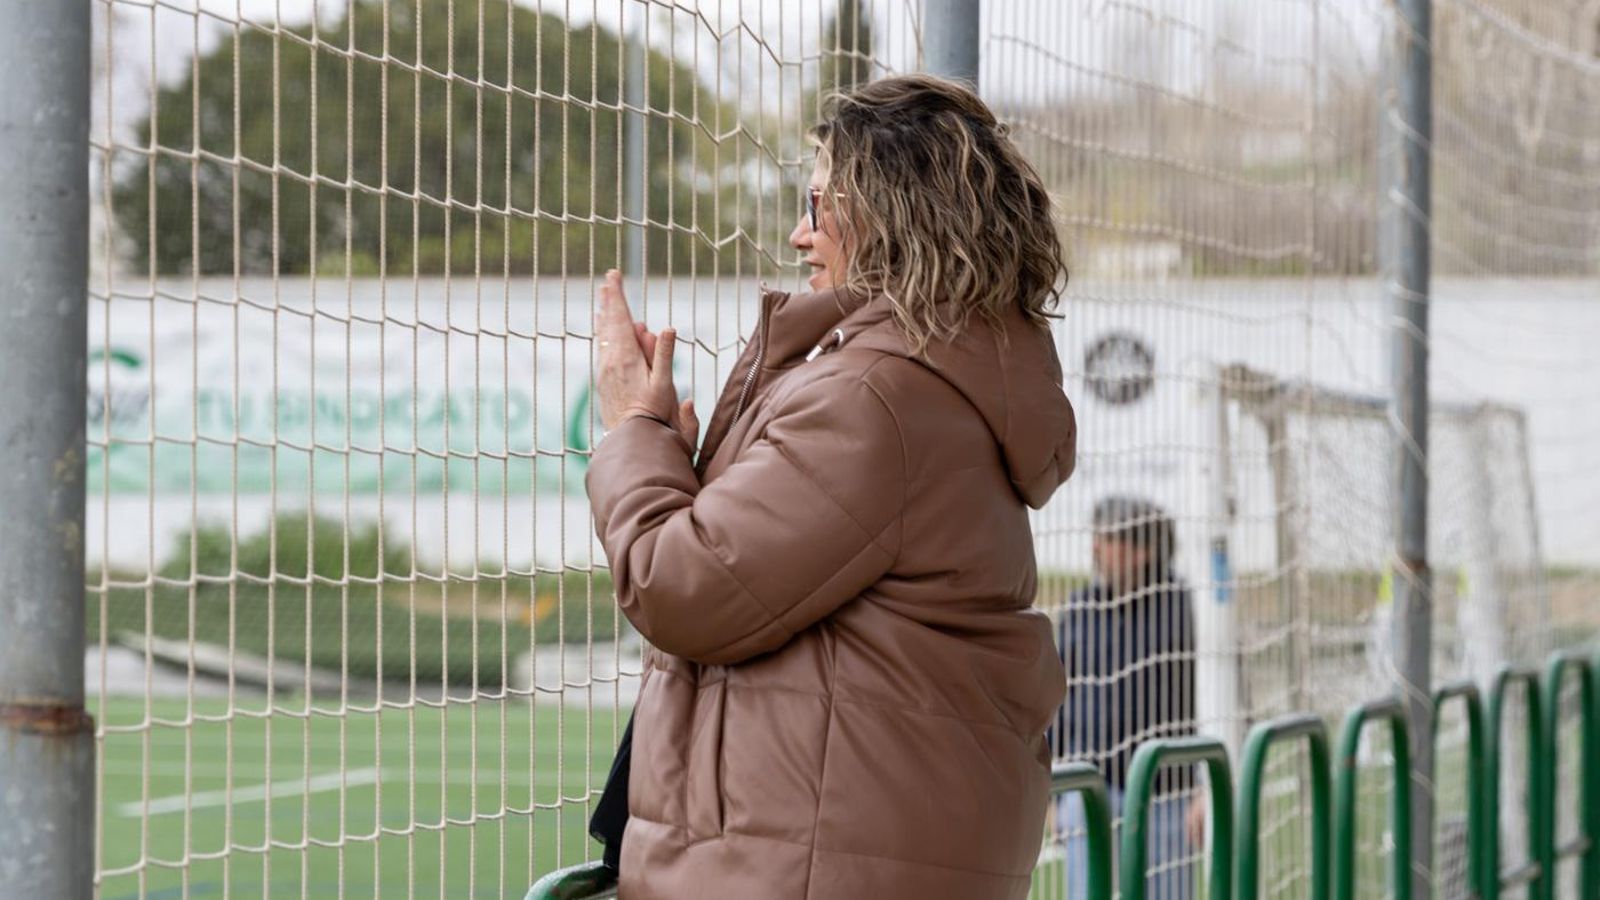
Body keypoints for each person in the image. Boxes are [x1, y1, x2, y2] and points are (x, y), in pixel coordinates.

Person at [584, 74, 1077, 900]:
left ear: (890, 215)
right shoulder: (942, 383)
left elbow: (681, 585)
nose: (798, 234)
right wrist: (679, 452)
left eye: (816, 205)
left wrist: (634, 429)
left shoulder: (877, 398)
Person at [1051, 496, 1201, 899]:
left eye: (1109, 538)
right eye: (1096, 537)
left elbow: (1206, 700)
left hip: (1166, 795)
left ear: (1144, 550)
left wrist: (1202, 790)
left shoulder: (1180, 605)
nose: (1097, 547)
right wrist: (1052, 794)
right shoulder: (1080, 608)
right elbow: (1056, 706)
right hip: (1090, 793)